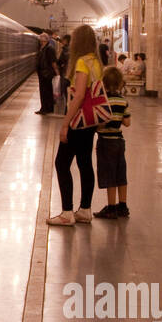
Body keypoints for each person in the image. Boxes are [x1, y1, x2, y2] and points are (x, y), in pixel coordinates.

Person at [47, 24, 102, 226]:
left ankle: (67, 212)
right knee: (85, 162)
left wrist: (65, 124)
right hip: (90, 122)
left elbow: (78, 96)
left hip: (78, 120)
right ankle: (85, 210)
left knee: (61, 163)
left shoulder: (81, 62)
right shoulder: (96, 61)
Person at [93, 67, 131, 218]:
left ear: (104, 83)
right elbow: (127, 122)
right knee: (121, 173)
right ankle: (123, 206)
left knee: (110, 176)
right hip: (119, 141)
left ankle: (111, 208)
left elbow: (98, 123)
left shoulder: (102, 101)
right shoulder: (122, 101)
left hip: (105, 142)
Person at [34, 31, 58, 114]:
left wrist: (56, 72)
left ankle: (46, 109)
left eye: (41, 40)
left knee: (46, 91)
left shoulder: (49, 49)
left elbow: (53, 61)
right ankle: (44, 108)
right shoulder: (42, 48)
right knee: (44, 91)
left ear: (44, 40)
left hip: (47, 73)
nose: (40, 41)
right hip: (42, 73)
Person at [54, 34, 71, 115]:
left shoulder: (65, 50)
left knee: (66, 94)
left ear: (66, 41)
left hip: (65, 74)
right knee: (70, 94)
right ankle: (68, 111)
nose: (62, 42)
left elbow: (60, 61)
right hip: (71, 75)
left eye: (63, 40)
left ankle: (67, 111)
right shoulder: (73, 49)